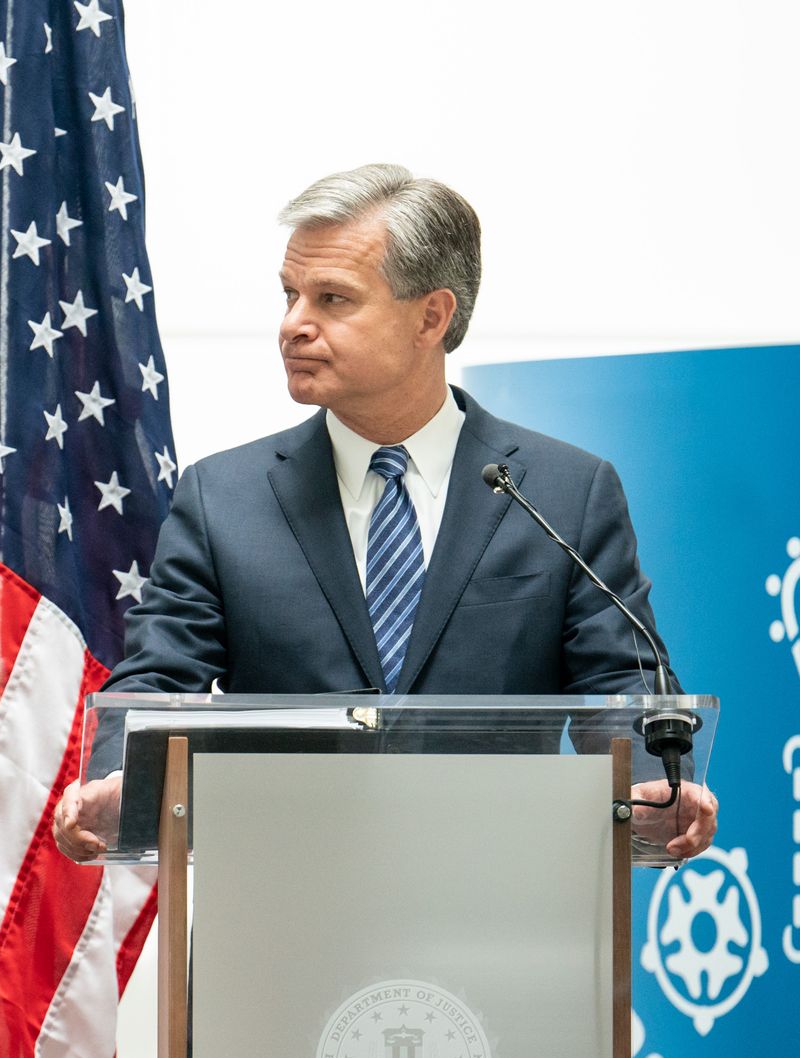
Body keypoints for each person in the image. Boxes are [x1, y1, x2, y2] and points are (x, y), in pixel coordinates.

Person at [53, 163, 716, 862]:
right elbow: (159, 677)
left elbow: (619, 682)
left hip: (504, 894)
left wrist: (652, 788)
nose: (293, 325)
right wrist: (120, 781)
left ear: (432, 315)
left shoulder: (562, 493)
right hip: (281, 897)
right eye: (289, 295)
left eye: (332, 299)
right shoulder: (224, 497)